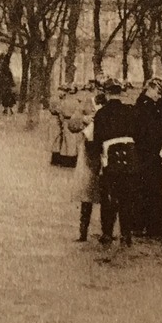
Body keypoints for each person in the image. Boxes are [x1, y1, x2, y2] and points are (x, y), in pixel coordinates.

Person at [92, 79, 138, 245]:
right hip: (130, 157)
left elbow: (97, 140)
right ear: (120, 93)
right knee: (127, 197)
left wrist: (97, 159)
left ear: (107, 93)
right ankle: (126, 234)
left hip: (110, 157)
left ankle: (107, 233)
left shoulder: (101, 113)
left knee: (108, 196)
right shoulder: (130, 111)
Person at [133, 77, 162, 240]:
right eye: (157, 92)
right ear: (149, 88)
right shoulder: (142, 105)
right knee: (145, 187)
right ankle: (142, 224)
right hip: (144, 152)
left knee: (155, 187)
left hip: (156, 152)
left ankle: (154, 224)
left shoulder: (159, 105)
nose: (159, 96)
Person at [68, 83, 103, 241]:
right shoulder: (86, 104)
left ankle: (106, 232)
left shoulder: (112, 104)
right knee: (87, 193)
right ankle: (83, 232)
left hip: (106, 153)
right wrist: (84, 119)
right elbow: (72, 124)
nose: (102, 92)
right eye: (100, 88)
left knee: (107, 193)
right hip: (88, 154)